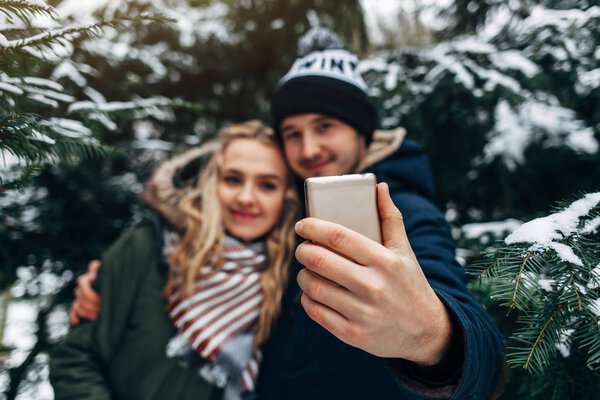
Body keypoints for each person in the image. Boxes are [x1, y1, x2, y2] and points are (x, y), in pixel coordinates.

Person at [68, 28, 505, 399]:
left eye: (325, 126)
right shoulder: (282, 221)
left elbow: (476, 343)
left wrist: (432, 336)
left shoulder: (401, 211)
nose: (309, 149)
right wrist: (106, 281)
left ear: (362, 133)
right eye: (292, 133)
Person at [50, 120, 300, 400]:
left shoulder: (290, 284)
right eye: (232, 179)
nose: (245, 197)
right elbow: (75, 360)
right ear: (210, 182)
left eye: (267, 185)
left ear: (286, 199)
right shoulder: (147, 248)